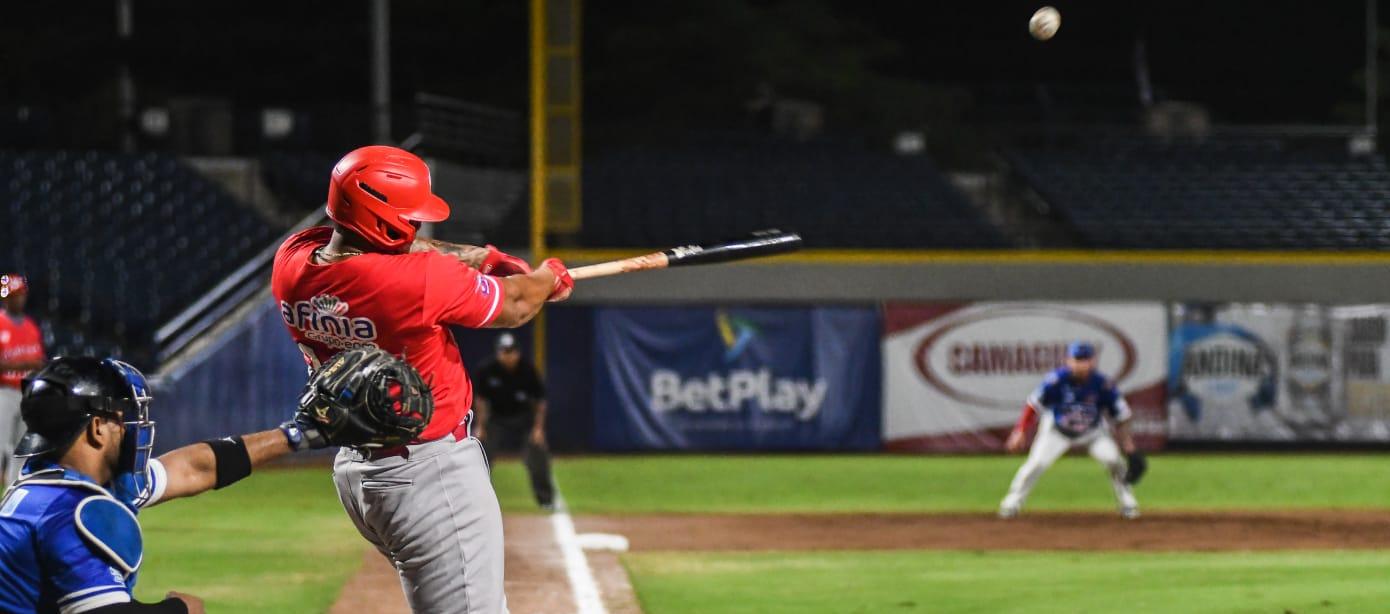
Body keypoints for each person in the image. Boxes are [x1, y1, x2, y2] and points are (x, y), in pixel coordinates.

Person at [270, 145, 573, 614]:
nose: (415, 227)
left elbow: (400, 250)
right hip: (430, 473)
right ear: (379, 217)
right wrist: (547, 277)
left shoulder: (291, 262)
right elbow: (516, 305)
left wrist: (486, 259)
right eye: (406, 217)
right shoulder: (414, 283)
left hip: (360, 472)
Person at [0, 356, 316, 613]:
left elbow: (194, 467)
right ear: (97, 428)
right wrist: (180, 609)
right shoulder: (70, 513)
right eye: (120, 418)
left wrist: (297, 436)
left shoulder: (45, 485)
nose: (128, 428)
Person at [998, 342, 1140, 520]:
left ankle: (1127, 503)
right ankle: (1011, 503)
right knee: (1036, 464)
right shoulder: (1056, 380)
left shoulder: (1102, 384)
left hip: (1092, 433)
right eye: (1077, 359)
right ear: (1068, 360)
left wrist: (1129, 448)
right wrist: (1020, 431)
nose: (1081, 364)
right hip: (1057, 431)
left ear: (1093, 361)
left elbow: (1122, 416)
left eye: (1085, 360)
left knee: (1114, 460)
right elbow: (1033, 405)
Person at [475, 333, 554, 510]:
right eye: (504, 351)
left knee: (537, 453)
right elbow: (480, 400)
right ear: (498, 353)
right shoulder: (487, 369)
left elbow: (540, 400)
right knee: (480, 455)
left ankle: (546, 499)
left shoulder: (527, 370)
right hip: (496, 418)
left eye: (511, 351)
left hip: (523, 418)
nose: (508, 355)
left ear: (518, 352)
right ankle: (480, 501)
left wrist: (538, 429)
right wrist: (480, 426)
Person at [0, 274, 46, 486]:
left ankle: (12, 493)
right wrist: (25, 363)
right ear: (5, 297)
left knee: (21, 448)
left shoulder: (30, 326)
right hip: (4, 392)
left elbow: (39, 361)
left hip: (26, 392)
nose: (18, 300)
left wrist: (30, 364)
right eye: (14, 295)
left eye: (21, 295)